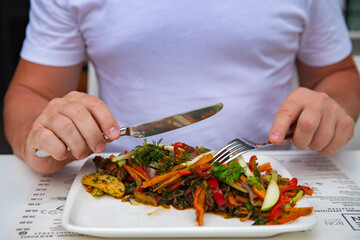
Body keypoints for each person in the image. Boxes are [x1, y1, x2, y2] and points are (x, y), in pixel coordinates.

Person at [4, 0, 360, 174]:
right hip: (124, 179)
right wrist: (40, 136)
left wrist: (330, 110)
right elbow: (30, 93)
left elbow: (338, 75)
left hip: (267, 175)